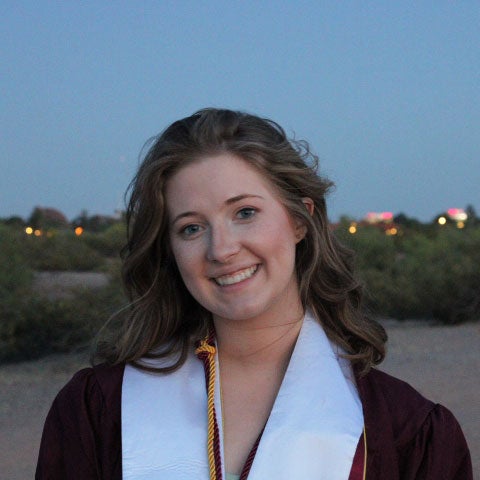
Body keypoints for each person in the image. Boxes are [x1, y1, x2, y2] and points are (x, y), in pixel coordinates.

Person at [36, 108, 472, 480]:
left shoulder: (404, 432)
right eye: (191, 227)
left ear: (300, 220)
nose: (221, 249)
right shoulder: (97, 412)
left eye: (245, 212)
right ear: (169, 251)